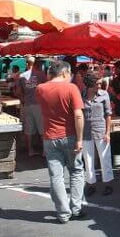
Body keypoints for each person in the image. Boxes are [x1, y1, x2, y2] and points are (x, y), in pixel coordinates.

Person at [35, 61, 85, 224]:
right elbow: (78, 115)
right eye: (70, 74)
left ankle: (63, 213)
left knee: (56, 176)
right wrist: (79, 138)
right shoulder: (71, 88)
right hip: (70, 136)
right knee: (76, 171)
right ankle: (76, 209)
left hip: (50, 137)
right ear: (65, 73)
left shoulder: (40, 89)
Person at [81, 72, 114, 197]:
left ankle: (108, 184)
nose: (100, 85)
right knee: (88, 160)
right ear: (90, 85)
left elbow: (108, 114)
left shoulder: (104, 95)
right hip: (86, 132)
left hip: (101, 131)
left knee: (105, 158)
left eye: (100, 83)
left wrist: (107, 133)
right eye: (97, 83)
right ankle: (91, 184)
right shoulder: (81, 95)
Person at [18, 56, 47, 157]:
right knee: (42, 128)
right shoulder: (41, 74)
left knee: (28, 130)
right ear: (36, 64)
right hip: (39, 105)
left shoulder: (22, 76)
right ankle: (44, 151)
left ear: (27, 64)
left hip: (27, 104)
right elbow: (46, 89)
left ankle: (30, 151)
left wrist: (24, 99)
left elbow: (19, 92)